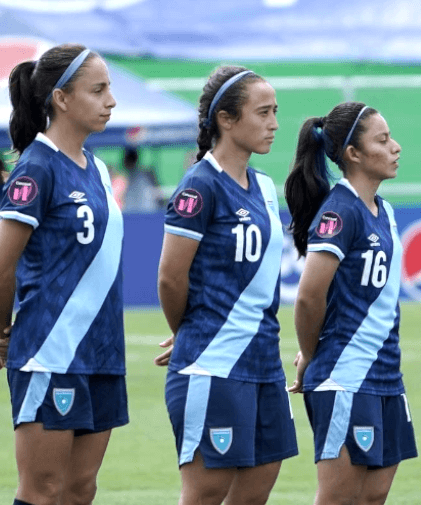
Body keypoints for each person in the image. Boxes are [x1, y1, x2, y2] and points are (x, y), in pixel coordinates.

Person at [0, 44, 126, 505]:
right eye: (98, 89)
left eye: (110, 89)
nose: (111, 100)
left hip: (102, 352)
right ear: (61, 99)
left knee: (81, 489)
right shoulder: (37, 167)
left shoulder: (99, 170)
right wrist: (5, 333)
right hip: (50, 350)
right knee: (43, 490)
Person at [154, 65, 298, 505]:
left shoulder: (266, 188)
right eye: (263, 112)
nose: (274, 123)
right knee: (206, 493)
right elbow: (170, 277)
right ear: (227, 120)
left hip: (264, 365)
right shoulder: (200, 185)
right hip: (212, 364)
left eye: (275, 112)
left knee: (258, 489)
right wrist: (192, 332)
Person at [284, 102, 415, 504]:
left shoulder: (385, 212)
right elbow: (308, 297)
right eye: (382, 139)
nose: (395, 147)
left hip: (386, 376)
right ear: (353, 154)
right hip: (344, 376)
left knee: (374, 496)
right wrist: (311, 355)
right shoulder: (340, 211)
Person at [120, 146, 164, 212]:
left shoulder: (146, 174)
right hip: (137, 214)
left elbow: (159, 196)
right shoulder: (124, 177)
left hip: (147, 213)